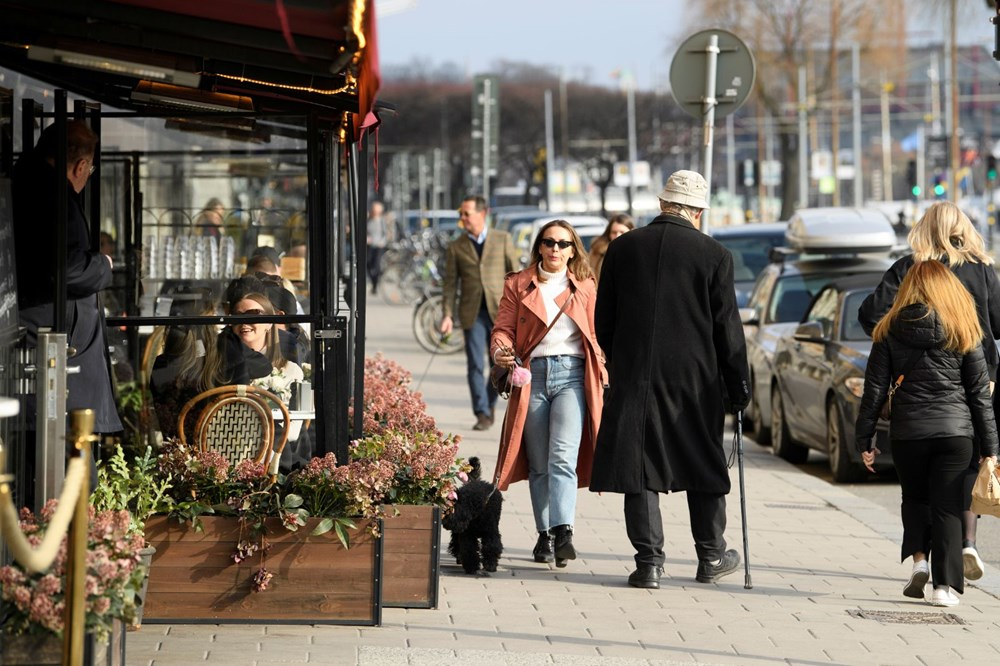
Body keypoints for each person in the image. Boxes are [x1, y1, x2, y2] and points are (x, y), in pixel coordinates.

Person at [590, 170, 750, 590]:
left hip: (636, 374)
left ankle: (649, 565)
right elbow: (727, 330)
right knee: (703, 463)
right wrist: (739, 387)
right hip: (696, 381)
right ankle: (711, 555)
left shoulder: (623, 248)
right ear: (697, 212)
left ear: (662, 204)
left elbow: (602, 319)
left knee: (639, 467)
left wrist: (621, 356)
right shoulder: (714, 255)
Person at [858, 201, 1000, 580]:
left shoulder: (910, 268)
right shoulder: (983, 270)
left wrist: (902, 332)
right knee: (968, 463)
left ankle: (924, 558)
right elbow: (998, 323)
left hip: (916, 388)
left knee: (918, 485)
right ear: (964, 228)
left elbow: (869, 315)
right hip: (978, 378)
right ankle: (967, 542)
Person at [490, 220, 606, 568]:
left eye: (563, 244)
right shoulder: (518, 284)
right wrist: (501, 351)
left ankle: (563, 530)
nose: (556, 249)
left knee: (562, 457)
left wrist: (603, 366)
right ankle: (545, 533)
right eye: (549, 242)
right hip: (532, 377)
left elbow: (597, 333)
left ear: (573, 250)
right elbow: (503, 329)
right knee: (539, 463)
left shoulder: (584, 285)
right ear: (539, 246)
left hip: (572, 376)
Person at [12, 120, 122, 454]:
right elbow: (67, 270)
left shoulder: (27, 183)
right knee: (68, 462)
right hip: (50, 350)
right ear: (81, 165)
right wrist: (103, 265)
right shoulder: (50, 194)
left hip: (41, 344)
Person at [439, 195, 520, 431]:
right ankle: (482, 412)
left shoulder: (502, 239)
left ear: (482, 213)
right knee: (475, 364)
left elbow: (515, 277)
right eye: (461, 214)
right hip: (472, 313)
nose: (462, 218)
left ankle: (491, 401)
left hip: (501, 314)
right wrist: (446, 315)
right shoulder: (456, 246)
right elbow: (450, 284)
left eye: (466, 213)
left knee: (501, 364)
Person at [588, 213, 634, 283]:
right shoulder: (598, 251)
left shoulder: (638, 251)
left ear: (631, 232)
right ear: (609, 233)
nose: (617, 236)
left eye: (622, 232)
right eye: (614, 232)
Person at [366, 201, 391, 295]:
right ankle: (373, 281)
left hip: (379, 246)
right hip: (369, 245)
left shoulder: (382, 221)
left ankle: (375, 285)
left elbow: (386, 233)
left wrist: (382, 242)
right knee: (368, 264)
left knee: (376, 265)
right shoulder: (369, 220)